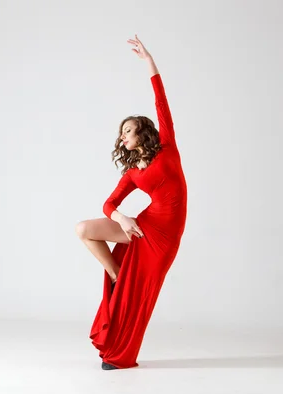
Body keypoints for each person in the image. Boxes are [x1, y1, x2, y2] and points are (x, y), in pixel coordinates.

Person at [75, 35, 188, 370]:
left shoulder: (167, 148)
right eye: (121, 132)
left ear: (144, 133)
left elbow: (160, 101)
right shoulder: (132, 173)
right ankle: (115, 272)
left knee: (142, 297)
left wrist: (149, 61)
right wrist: (123, 218)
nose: (123, 135)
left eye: (129, 130)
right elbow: (109, 203)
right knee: (84, 229)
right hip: (144, 224)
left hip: (165, 234)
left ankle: (123, 355)